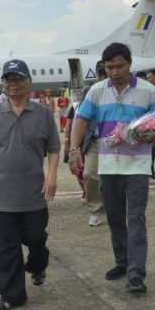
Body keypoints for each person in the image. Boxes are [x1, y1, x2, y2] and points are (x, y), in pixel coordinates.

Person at [0, 59, 60, 310]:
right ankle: (12, 294)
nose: (14, 84)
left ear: (29, 82)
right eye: (9, 80)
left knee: (35, 237)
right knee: (6, 245)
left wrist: (52, 176)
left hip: (33, 194)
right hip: (1, 196)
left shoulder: (42, 114)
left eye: (19, 79)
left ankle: (39, 263)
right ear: (3, 84)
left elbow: (53, 148)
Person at [69, 43, 155, 293]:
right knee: (116, 218)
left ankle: (136, 274)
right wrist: (74, 149)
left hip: (138, 165)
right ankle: (122, 262)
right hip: (108, 166)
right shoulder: (96, 91)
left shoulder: (148, 91)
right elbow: (81, 120)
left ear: (130, 64)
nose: (115, 72)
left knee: (136, 218)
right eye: (109, 67)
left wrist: (148, 135)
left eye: (119, 66)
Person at [68, 60, 106, 227]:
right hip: (95, 141)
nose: (104, 76)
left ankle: (115, 208)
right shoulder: (90, 91)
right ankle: (96, 209)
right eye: (101, 73)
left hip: (118, 142)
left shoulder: (122, 91)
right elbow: (79, 119)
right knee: (90, 175)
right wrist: (72, 147)